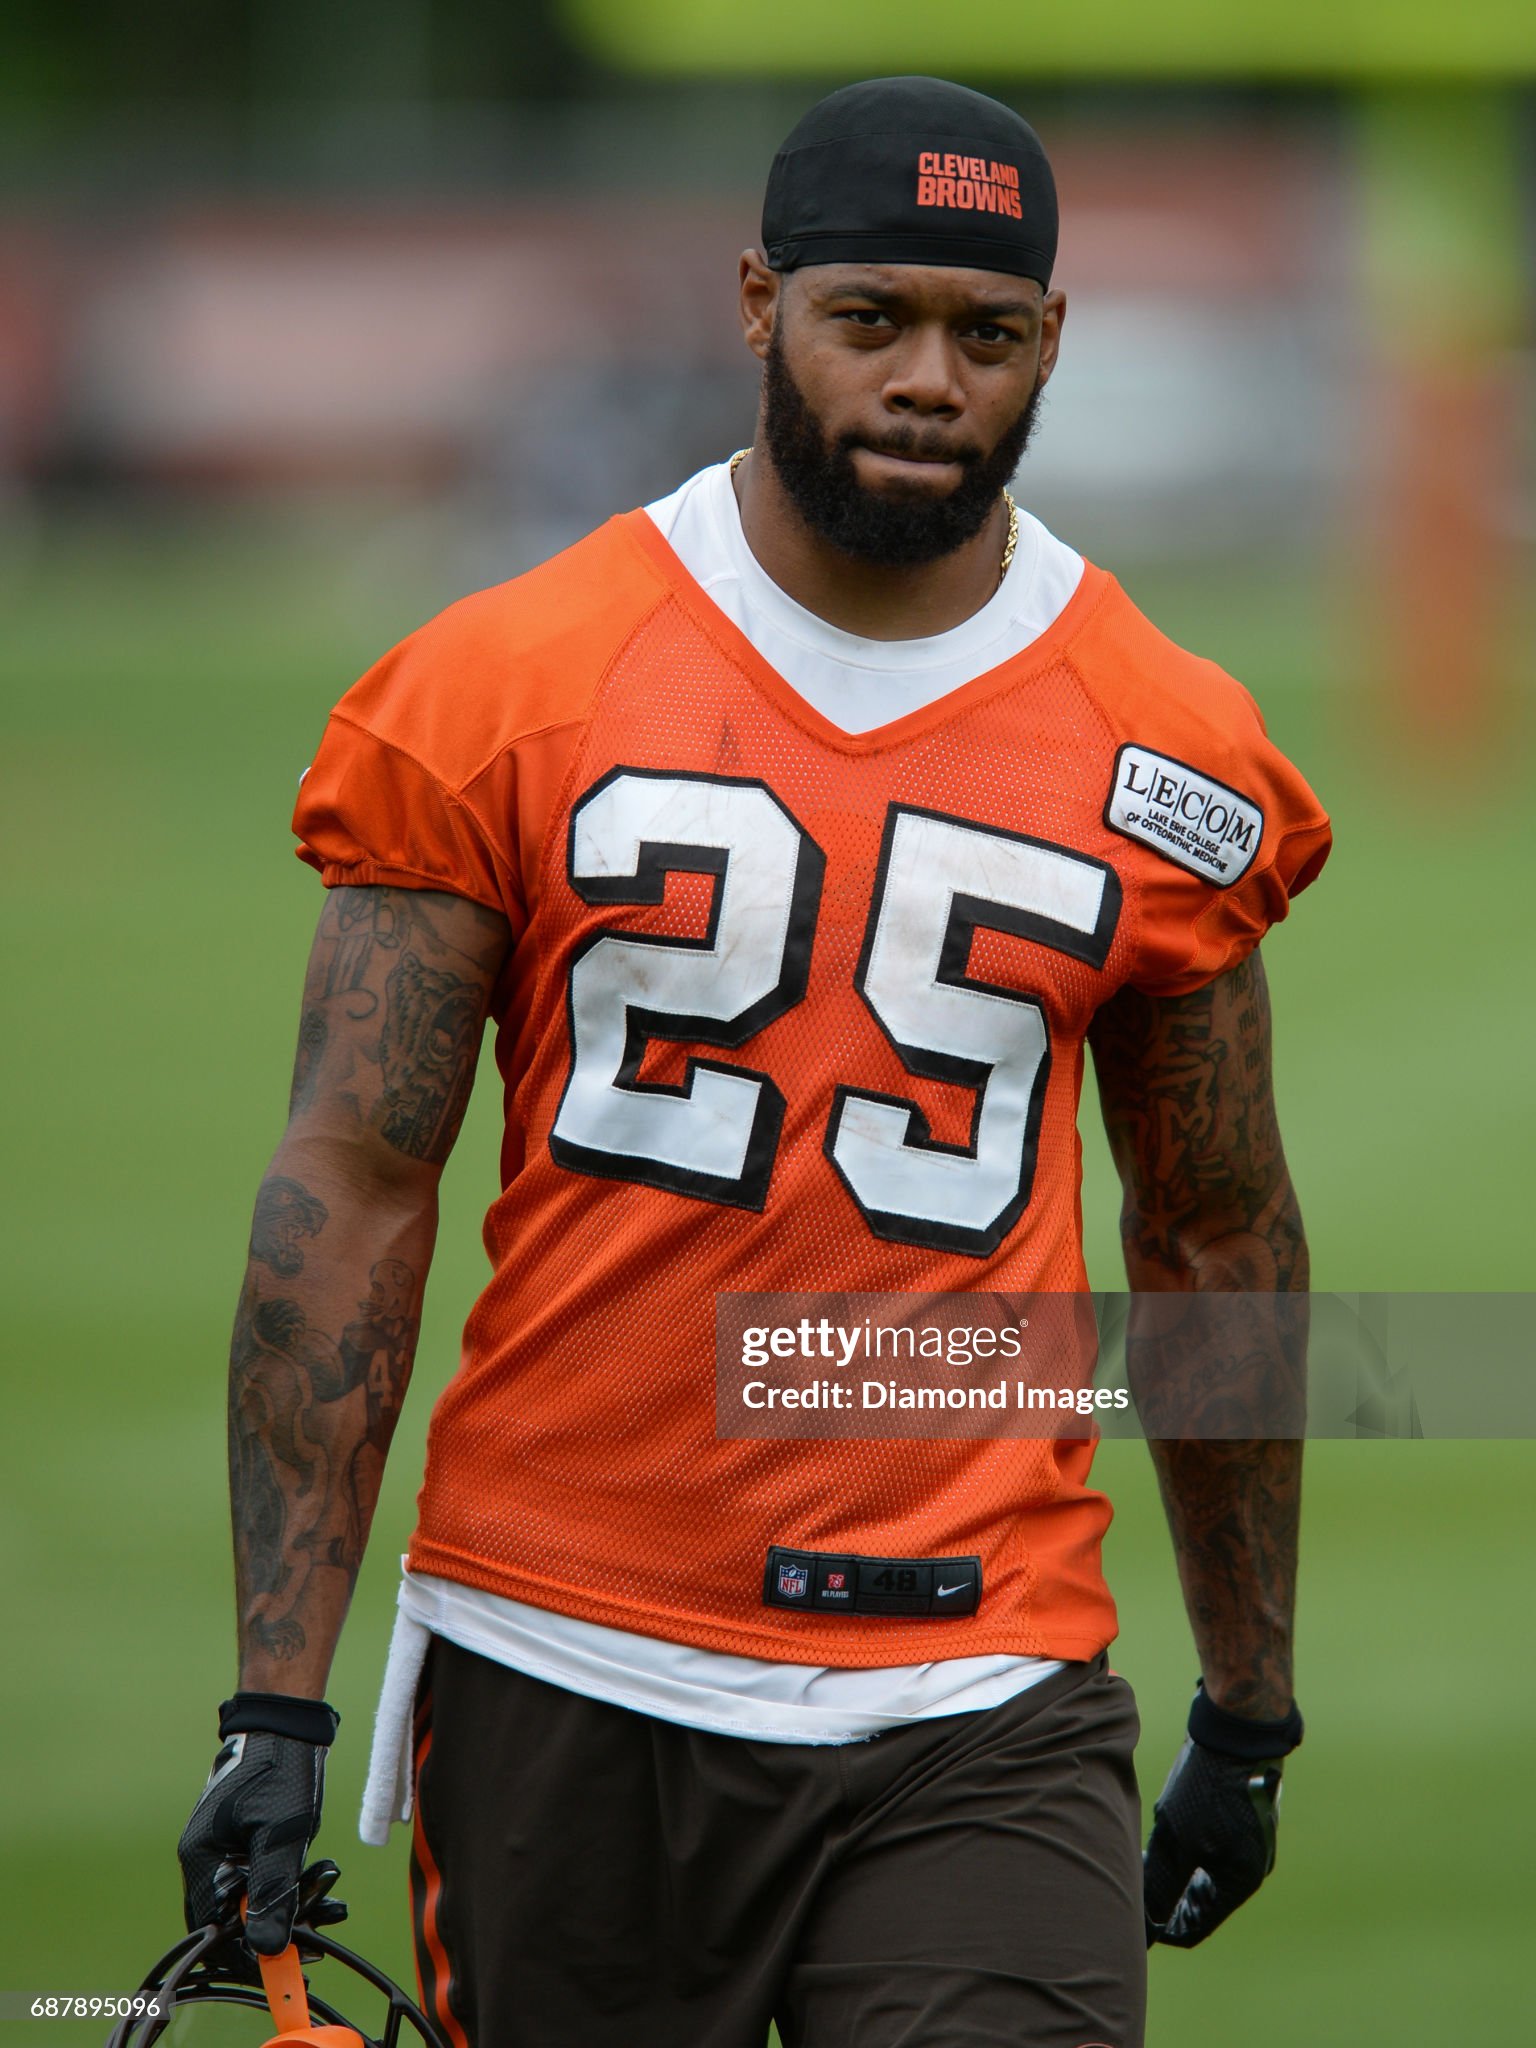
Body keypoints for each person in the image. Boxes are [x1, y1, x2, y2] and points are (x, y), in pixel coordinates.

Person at [177, 76, 1329, 2048]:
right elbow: (353, 1187)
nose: (929, 381)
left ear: (1054, 338)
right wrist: (273, 1700)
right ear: (756, 303)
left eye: (988, 333)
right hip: (568, 1655)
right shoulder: (503, 682)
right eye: (870, 317)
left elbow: (1219, 1237)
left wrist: (1249, 1704)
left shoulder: (1171, 747)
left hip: (981, 1679)